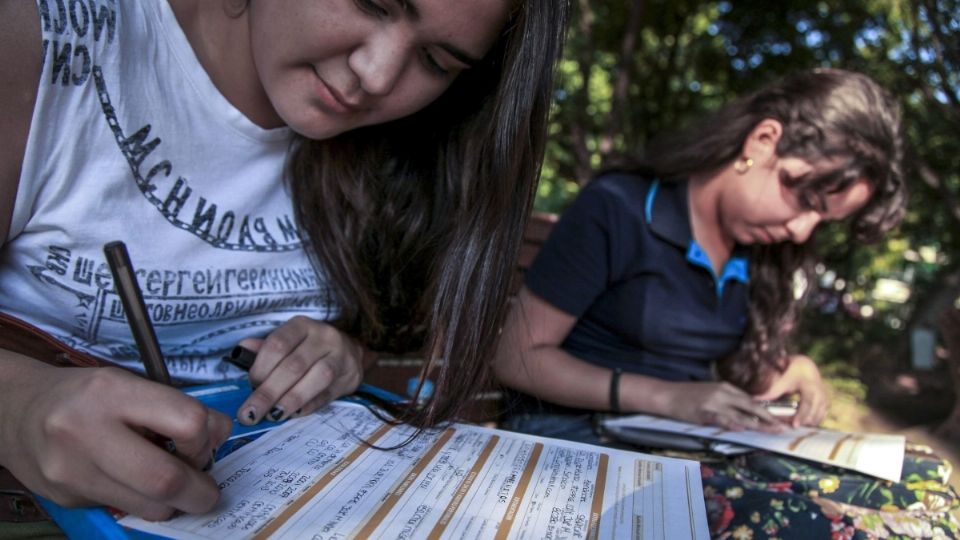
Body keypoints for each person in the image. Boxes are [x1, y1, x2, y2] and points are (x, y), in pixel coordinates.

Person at [0, 0, 568, 523]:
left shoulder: (410, 149)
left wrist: (342, 352)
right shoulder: (47, 38)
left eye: (436, 61)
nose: (377, 75)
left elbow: (370, 327)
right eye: (372, 2)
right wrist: (19, 405)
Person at [494, 68, 959, 536]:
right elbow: (516, 358)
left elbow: (710, 373)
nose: (802, 230)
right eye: (805, 197)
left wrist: (795, 368)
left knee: (924, 483)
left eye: (823, 219)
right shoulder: (620, 208)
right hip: (578, 441)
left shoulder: (757, 252)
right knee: (814, 526)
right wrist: (669, 397)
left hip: (682, 442)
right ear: (762, 141)